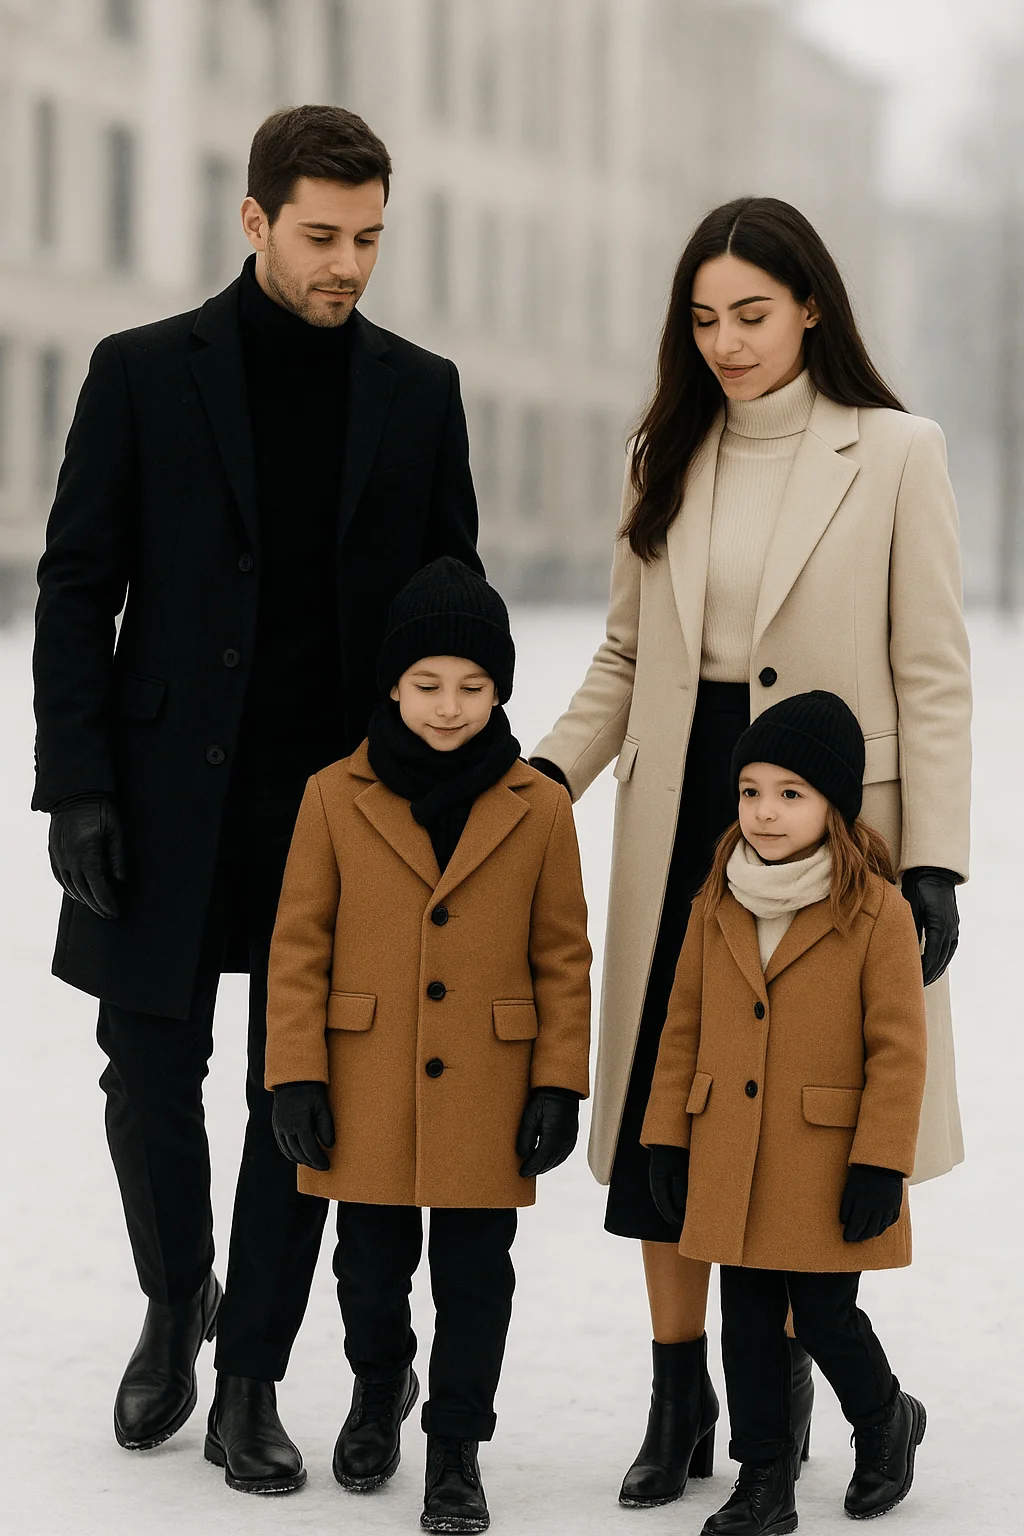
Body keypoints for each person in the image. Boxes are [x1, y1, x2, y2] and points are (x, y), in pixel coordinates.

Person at [32, 105, 482, 1491]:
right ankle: (181, 1298)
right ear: (255, 220)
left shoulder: (420, 390)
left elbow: (447, 604)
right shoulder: (140, 372)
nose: (348, 263)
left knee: (305, 1095)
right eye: (322, 235)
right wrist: (79, 787)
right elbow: (75, 587)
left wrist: (446, 783)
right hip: (166, 795)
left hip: (341, 812)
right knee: (148, 1070)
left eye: (369, 239)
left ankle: (249, 1380)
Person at [531, 195, 970, 1506]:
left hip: (827, 840)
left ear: (812, 308)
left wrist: (931, 858)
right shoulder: (667, 450)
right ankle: (681, 1409)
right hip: (679, 830)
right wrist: (547, 775)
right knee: (676, 1122)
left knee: (790, 1134)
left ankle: (807, 1428)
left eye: (753, 315)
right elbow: (624, 651)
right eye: (705, 318)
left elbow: (934, 673)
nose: (726, 342)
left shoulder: (896, 453)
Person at [263, 558, 591, 1533]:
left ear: (499, 691)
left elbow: (563, 956)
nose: (448, 707)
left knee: (475, 1275)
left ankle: (455, 1448)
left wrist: (556, 1085)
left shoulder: (537, 806)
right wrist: (294, 1074)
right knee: (368, 1268)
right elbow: (297, 949)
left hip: (490, 1089)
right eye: (426, 685)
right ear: (392, 686)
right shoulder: (332, 795)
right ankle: (378, 1388)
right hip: (363, 1084)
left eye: (472, 687)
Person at [643, 691, 928, 1535]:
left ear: (834, 805)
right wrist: (666, 1137)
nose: (765, 812)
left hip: (825, 1160)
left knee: (828, 1317)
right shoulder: (715, 902)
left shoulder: (877, 913)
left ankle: (885, 1419)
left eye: (791, 793)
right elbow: (681, 1028)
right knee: (750, 1324)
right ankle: (763, 1480)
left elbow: (899, 1053)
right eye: (751, 791)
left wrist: (882, 1159)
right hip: (729, 1149)